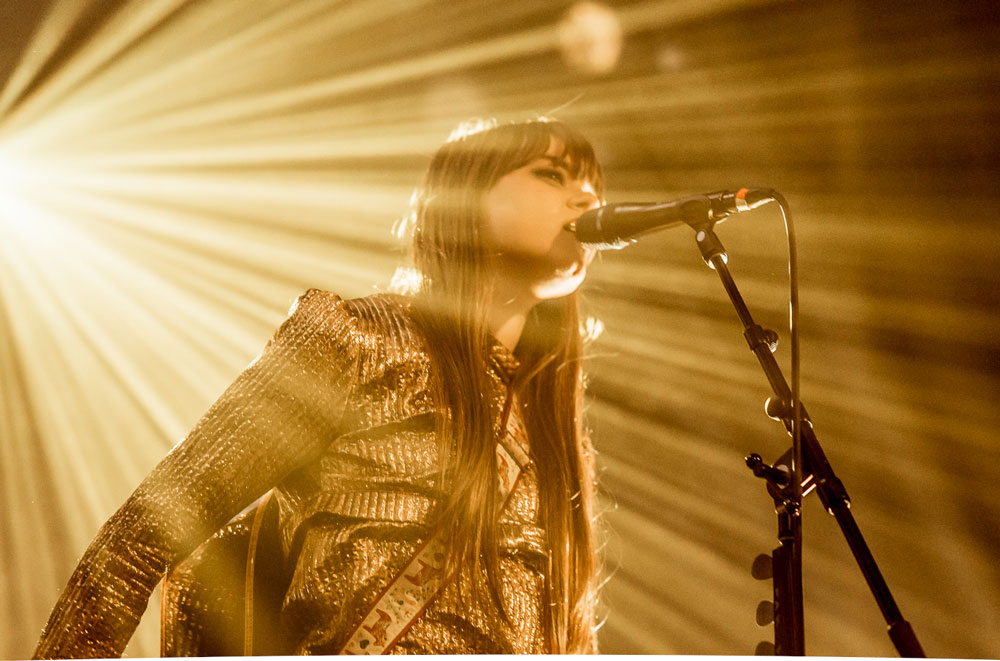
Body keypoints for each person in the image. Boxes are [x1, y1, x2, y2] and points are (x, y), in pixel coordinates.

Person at [33, 117, 605, 657]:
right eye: (552, 175)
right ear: (464, 196)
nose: (587, 200)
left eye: (592, 188)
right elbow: (145, 533)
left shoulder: (552, 431)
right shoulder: (354, 341)